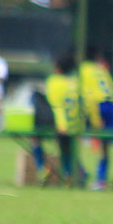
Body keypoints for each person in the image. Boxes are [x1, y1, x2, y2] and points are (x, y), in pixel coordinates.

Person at [80, 46, 113, 189]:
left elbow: (89, 96)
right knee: (106, 145)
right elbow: (112, 91)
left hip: (97, 106)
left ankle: (82, 174)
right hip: (111, 105)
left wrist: (95, 119)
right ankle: (107, 177)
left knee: (73, 138)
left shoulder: (83, 69)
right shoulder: (101, 69)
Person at [39, 55, 82, 183]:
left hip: (60, 124)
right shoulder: (76, 82)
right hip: (76, 123)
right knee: (68, 149)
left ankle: (43, 167)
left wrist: (62, 125)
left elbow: (56, 105)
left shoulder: (53, 81)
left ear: (57, 68)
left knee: (35, 139)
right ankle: (76, 173)